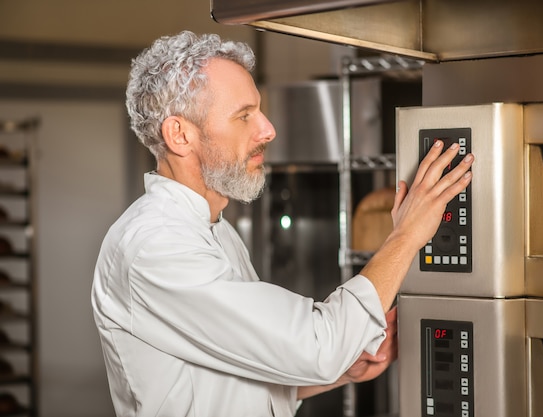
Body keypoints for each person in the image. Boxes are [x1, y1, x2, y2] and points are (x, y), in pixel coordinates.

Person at [91, 30, 474, 417]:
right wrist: (407, 234)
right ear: (180, 134)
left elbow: (232, 379)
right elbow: (317, 346)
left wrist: (342, 369)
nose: (267, 129)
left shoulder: (214, 229)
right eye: (244, 116)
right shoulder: (155, 247)